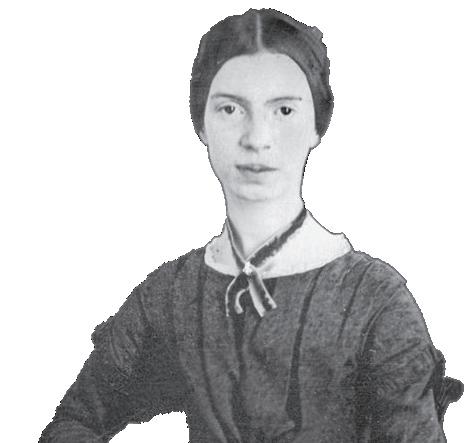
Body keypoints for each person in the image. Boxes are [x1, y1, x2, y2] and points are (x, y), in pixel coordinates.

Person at [39, 8, 462, 442]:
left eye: (283, 110)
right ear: (201, 124)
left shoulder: (374, 300)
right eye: (230, 109)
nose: (257, 138)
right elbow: (73, 424)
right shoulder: (172, 295)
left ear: (317, 125)